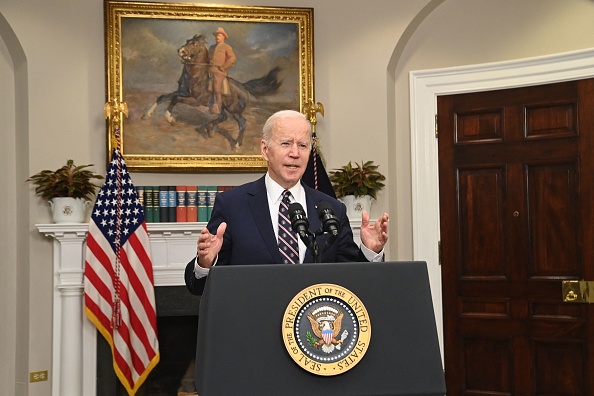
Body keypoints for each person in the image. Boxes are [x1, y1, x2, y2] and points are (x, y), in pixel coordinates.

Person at [184, 110, 390, 295]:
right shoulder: (232, 205)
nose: (295, 153)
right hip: (253, 330)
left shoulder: (332, 209)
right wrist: (206, 262)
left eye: (303, 145)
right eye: (286, 143)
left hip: (312, 332)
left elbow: (354, 280)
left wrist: (370, 251)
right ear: (265, 150)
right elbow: (198, 287)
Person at [208, 27, 236, 115]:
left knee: (216, 84)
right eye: (216, 35)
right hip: (210, 69)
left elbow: (232, 58)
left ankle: (218, 107)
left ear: (224, 37)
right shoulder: (212, 47)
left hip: (219, 71)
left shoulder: (226, 47)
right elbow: (208, 58)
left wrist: (224, 67)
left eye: (219, 35)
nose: (217, 37)